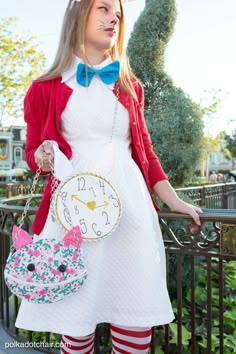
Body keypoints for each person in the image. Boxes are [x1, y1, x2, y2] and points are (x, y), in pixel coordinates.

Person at [15, 0, 202, 352]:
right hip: (73, 221)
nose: (113, 17)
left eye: (117, 12)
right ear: (78, 14)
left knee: (134, 320)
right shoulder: (44, 88)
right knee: (76, 324)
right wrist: (40, 155)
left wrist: (176, 201)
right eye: (103, 8)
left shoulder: (130, 85)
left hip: (129, 215)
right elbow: (34, 154)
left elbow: (146, 155)